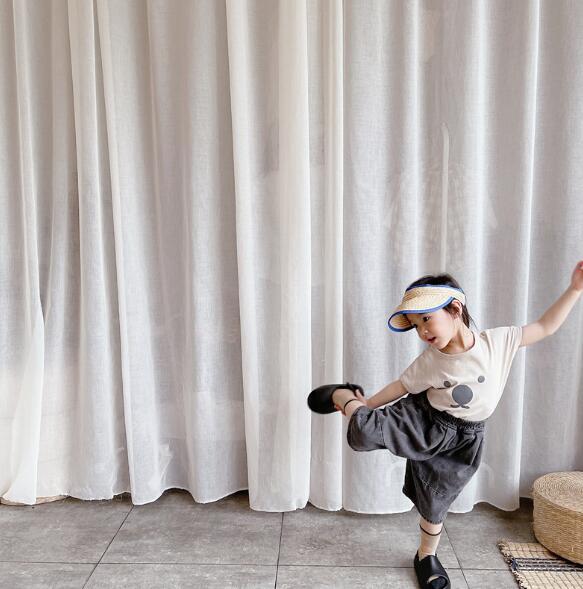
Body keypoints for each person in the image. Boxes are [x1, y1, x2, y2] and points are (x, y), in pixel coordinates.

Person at [308, 261, 583, 589]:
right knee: (365, 432)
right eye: (415, 326)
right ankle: (345, 396)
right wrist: (368, 404)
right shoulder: (430, 360)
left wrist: (575, 289)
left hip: (465, 438)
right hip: (426, 419)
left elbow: (545, 326)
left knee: (437, 501)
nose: (422, 332)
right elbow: (401, 386)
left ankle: (426, 556)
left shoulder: (497, 342)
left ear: (455, 309)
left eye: (426, 319)